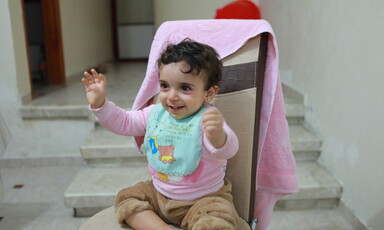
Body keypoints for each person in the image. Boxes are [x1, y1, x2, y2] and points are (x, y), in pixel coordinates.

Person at [81, 40, 240, 230]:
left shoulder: (208, 120)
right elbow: (125, 122)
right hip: (158, 195)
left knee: (219, 220)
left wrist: (217, 135)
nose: (171, 96)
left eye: (185, 88)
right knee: (127, 198)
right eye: (165, 86)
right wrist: (101, 104)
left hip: (204, 200)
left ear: (209, 93)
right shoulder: (155, 114)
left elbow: (228, 150)